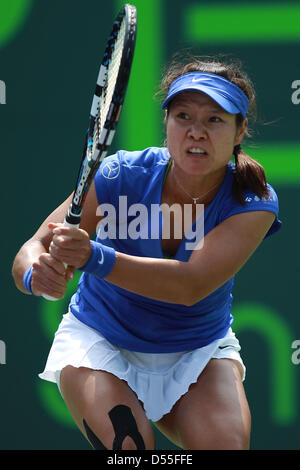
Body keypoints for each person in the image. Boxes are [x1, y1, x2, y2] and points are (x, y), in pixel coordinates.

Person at [12, 55, 281, 450]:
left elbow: (189, 286)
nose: (196, 132)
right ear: (167, 124)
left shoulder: (252, 200)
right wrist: (39, 274)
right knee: (130, 451)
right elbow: (32, 249)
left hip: (197, 350)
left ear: (240, 131)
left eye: (215, 120)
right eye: (183, 116)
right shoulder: (120, 175)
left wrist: (92, 258)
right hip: (101, 341)